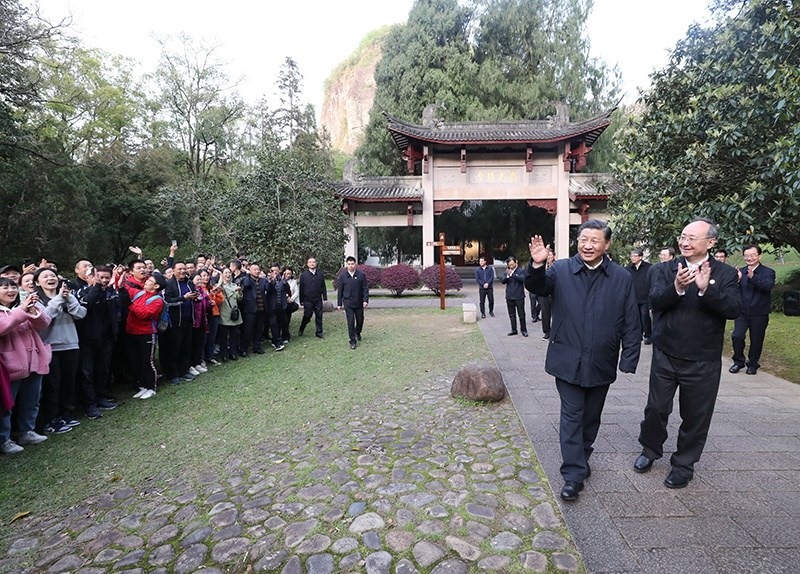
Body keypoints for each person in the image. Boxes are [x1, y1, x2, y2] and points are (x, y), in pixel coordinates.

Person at [525, 220, 641, 501]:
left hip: (602, 359)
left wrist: (629, 357)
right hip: (567, 358)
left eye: (595, 240)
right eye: (583, 239)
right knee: (572, 414)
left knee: (591, 417)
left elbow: (631, 320)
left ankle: (582, 455)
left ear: (606, 244)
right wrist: (538, 265)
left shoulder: (621, 277)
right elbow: (537, 287)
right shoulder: (561, 270)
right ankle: (573, 474)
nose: (588, 245)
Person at [634, 218, 741, 489]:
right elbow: (654, 301)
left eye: (692, 238)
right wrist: (677, 288)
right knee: (656, 408)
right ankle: (649, 450)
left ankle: (683, 464)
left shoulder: (726, 274)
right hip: (666, 353)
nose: (685, 242)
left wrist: (707, 289)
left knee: (696, 415)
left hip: (703, 358)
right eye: (683, 236)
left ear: (711, 242)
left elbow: (733, 309)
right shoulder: (663, 269)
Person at [0, 277, 52, 454]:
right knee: (6, 405)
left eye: (13, 287)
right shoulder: (12, 310)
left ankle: (27, 431)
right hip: (9, 365)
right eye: (5, 287)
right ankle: (4, 439)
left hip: (33, 361)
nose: (11, 290)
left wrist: (32, 310)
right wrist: (22, 310)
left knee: (32, 399)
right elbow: (3, 328)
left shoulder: (18, 307)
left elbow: (44, 324)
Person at [34, 267, 87, 434]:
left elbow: (81, 314)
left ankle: (66, 413)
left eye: (53, 275)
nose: (50, 278)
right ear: (37, 282)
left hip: (70, 344)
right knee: (52, 385)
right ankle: (51, 419)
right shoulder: (36, 300)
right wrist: (58, 298)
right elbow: (44, 318)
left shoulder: (68, 296)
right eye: (45, 276)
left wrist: (69, 298)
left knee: (68, 382)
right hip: (49, 347)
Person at [73, 263, 119, 419]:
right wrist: (96, 288)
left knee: (103, 369)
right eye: (100, 277)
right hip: (87, 339)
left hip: (106, 338)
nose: (103, 281)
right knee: (87, 372)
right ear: (90, 277)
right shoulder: (82, 292)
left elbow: (116, 311)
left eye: (106, 278)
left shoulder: (110, 292)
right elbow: (86, 305)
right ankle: (89, 404)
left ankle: (101, 397)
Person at [729, 245, 775, 375]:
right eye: (747, 255)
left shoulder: (768, 272)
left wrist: (752, 278)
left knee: (756, 340)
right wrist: (737, 280)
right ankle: (738, 361)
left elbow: (767, 287)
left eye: (753, 255)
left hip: (759, 313)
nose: (749, 258)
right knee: (737, 336)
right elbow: (733, 290)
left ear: (759, 256)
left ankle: (753, 364)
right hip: (742, 312)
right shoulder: (740, 271)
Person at [123, 274, 168, 399]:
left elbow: (144, 313)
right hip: (132, 332)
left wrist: (131, 305)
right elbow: (127, 288)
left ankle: (151, 387)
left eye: (150, 280)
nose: (146, 281)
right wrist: (119, 277)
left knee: (147, 361)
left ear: (156, 286)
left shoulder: (157, 300)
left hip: (146, 333)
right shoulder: (140, 294)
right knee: (136, 361)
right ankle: (142, 386)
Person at [337, 256, 369, 350]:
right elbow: (340, 290)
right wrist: (339, 303)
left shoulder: (361, 275)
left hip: (359, 302)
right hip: (348, 303)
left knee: (360, 320)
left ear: (355, 264)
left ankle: (357, 332)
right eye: (349, 264)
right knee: (350, 322)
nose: (351, 266)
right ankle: (352, 341)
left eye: (352, 264)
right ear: (346, 265)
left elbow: (365, 288)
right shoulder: (343, 276)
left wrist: (365, 300)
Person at [625, 248, 653, 344]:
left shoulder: (648, 267)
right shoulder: (628, 269)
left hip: (645, 296)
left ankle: (648, 335)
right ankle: (638, 335)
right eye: (631, 256)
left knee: (645, 316)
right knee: (635, 317)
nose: (632, 258)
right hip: (633, 296)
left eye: (635, 256)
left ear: (640, 257)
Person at [298, 257, 328, 339]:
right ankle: (302, 328)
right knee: (307, 315)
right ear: (307, 264)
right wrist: (301, 300)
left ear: (316, 263)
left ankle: (319, 332)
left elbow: (323, 286)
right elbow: (301, 288)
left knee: (319, 315)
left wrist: (325, 298)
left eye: (313, 262)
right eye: (310, 262)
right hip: (307, 299)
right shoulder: (304, 275)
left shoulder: (320, 274)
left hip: (318, 299)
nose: (312, 264)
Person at [217, 268, 243, 362]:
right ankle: (224, 354)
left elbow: (239, 299)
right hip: (224, 313)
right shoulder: (220, 286)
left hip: (234, 312)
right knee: (223, 336)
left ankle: (233, 353)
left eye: (229, 272)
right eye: (226, 273)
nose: (228, 274)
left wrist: (239, 291)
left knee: (234, 335)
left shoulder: (234, 285)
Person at [501, 256, 527, 337]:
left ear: (516, 262)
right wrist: (507, 276)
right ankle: (514, 329)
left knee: (521, 314)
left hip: (519, 296)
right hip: (509, 296)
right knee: (512, 314)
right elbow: (503, 281)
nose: (511, 266)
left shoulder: (521, 271)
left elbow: (522, 279)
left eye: (512, 264)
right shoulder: (507, 271)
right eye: (509, 265)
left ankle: (523, 330)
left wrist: (512, 274)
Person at [539, 249, 555, 340]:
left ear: (553, 256)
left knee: (555, 314)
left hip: (554, 294)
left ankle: (555, 332)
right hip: (544, 294)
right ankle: (546, 332)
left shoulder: (556, 266)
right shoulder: (542, 266)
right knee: (545, 314)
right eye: (547, 255)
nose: (548, 257)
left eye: (550, 255)